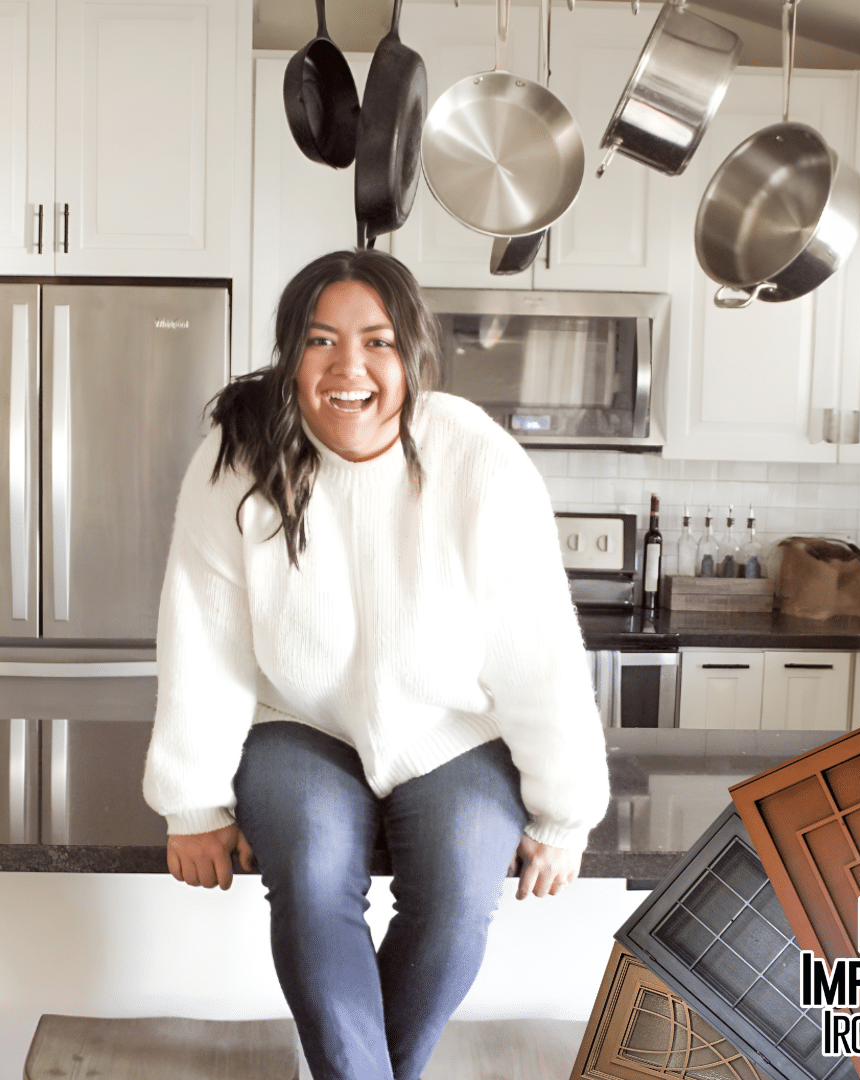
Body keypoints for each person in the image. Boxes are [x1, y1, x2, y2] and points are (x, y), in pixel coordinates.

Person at [142, 249, 610, 1080]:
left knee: (460, 898)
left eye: (377, 342)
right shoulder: (238, 457)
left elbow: (536, 645)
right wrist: (192, 801)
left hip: (451, 731)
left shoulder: (477, 457)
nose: (348, 367)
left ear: (414, 356)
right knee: (315, 877)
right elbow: (205, 636)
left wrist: (564, 813)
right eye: (321, 341)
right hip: (300, 724)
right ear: (291, 354)